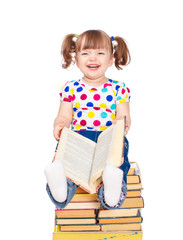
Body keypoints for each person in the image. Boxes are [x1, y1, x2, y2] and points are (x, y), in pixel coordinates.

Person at [44, 30, 131, 210]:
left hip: (106, 137)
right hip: (78, 138)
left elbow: (123, 115)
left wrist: (122, 123)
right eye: (85, 53)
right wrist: (60, 124)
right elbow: (65, 115)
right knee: (67, 159)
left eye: (100, 53)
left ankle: (112, 190)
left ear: (110, 59)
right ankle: (62, 188)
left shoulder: (118, 88)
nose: (93, 58)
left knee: (118, 160)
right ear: (76, 59)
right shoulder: (71, 88)